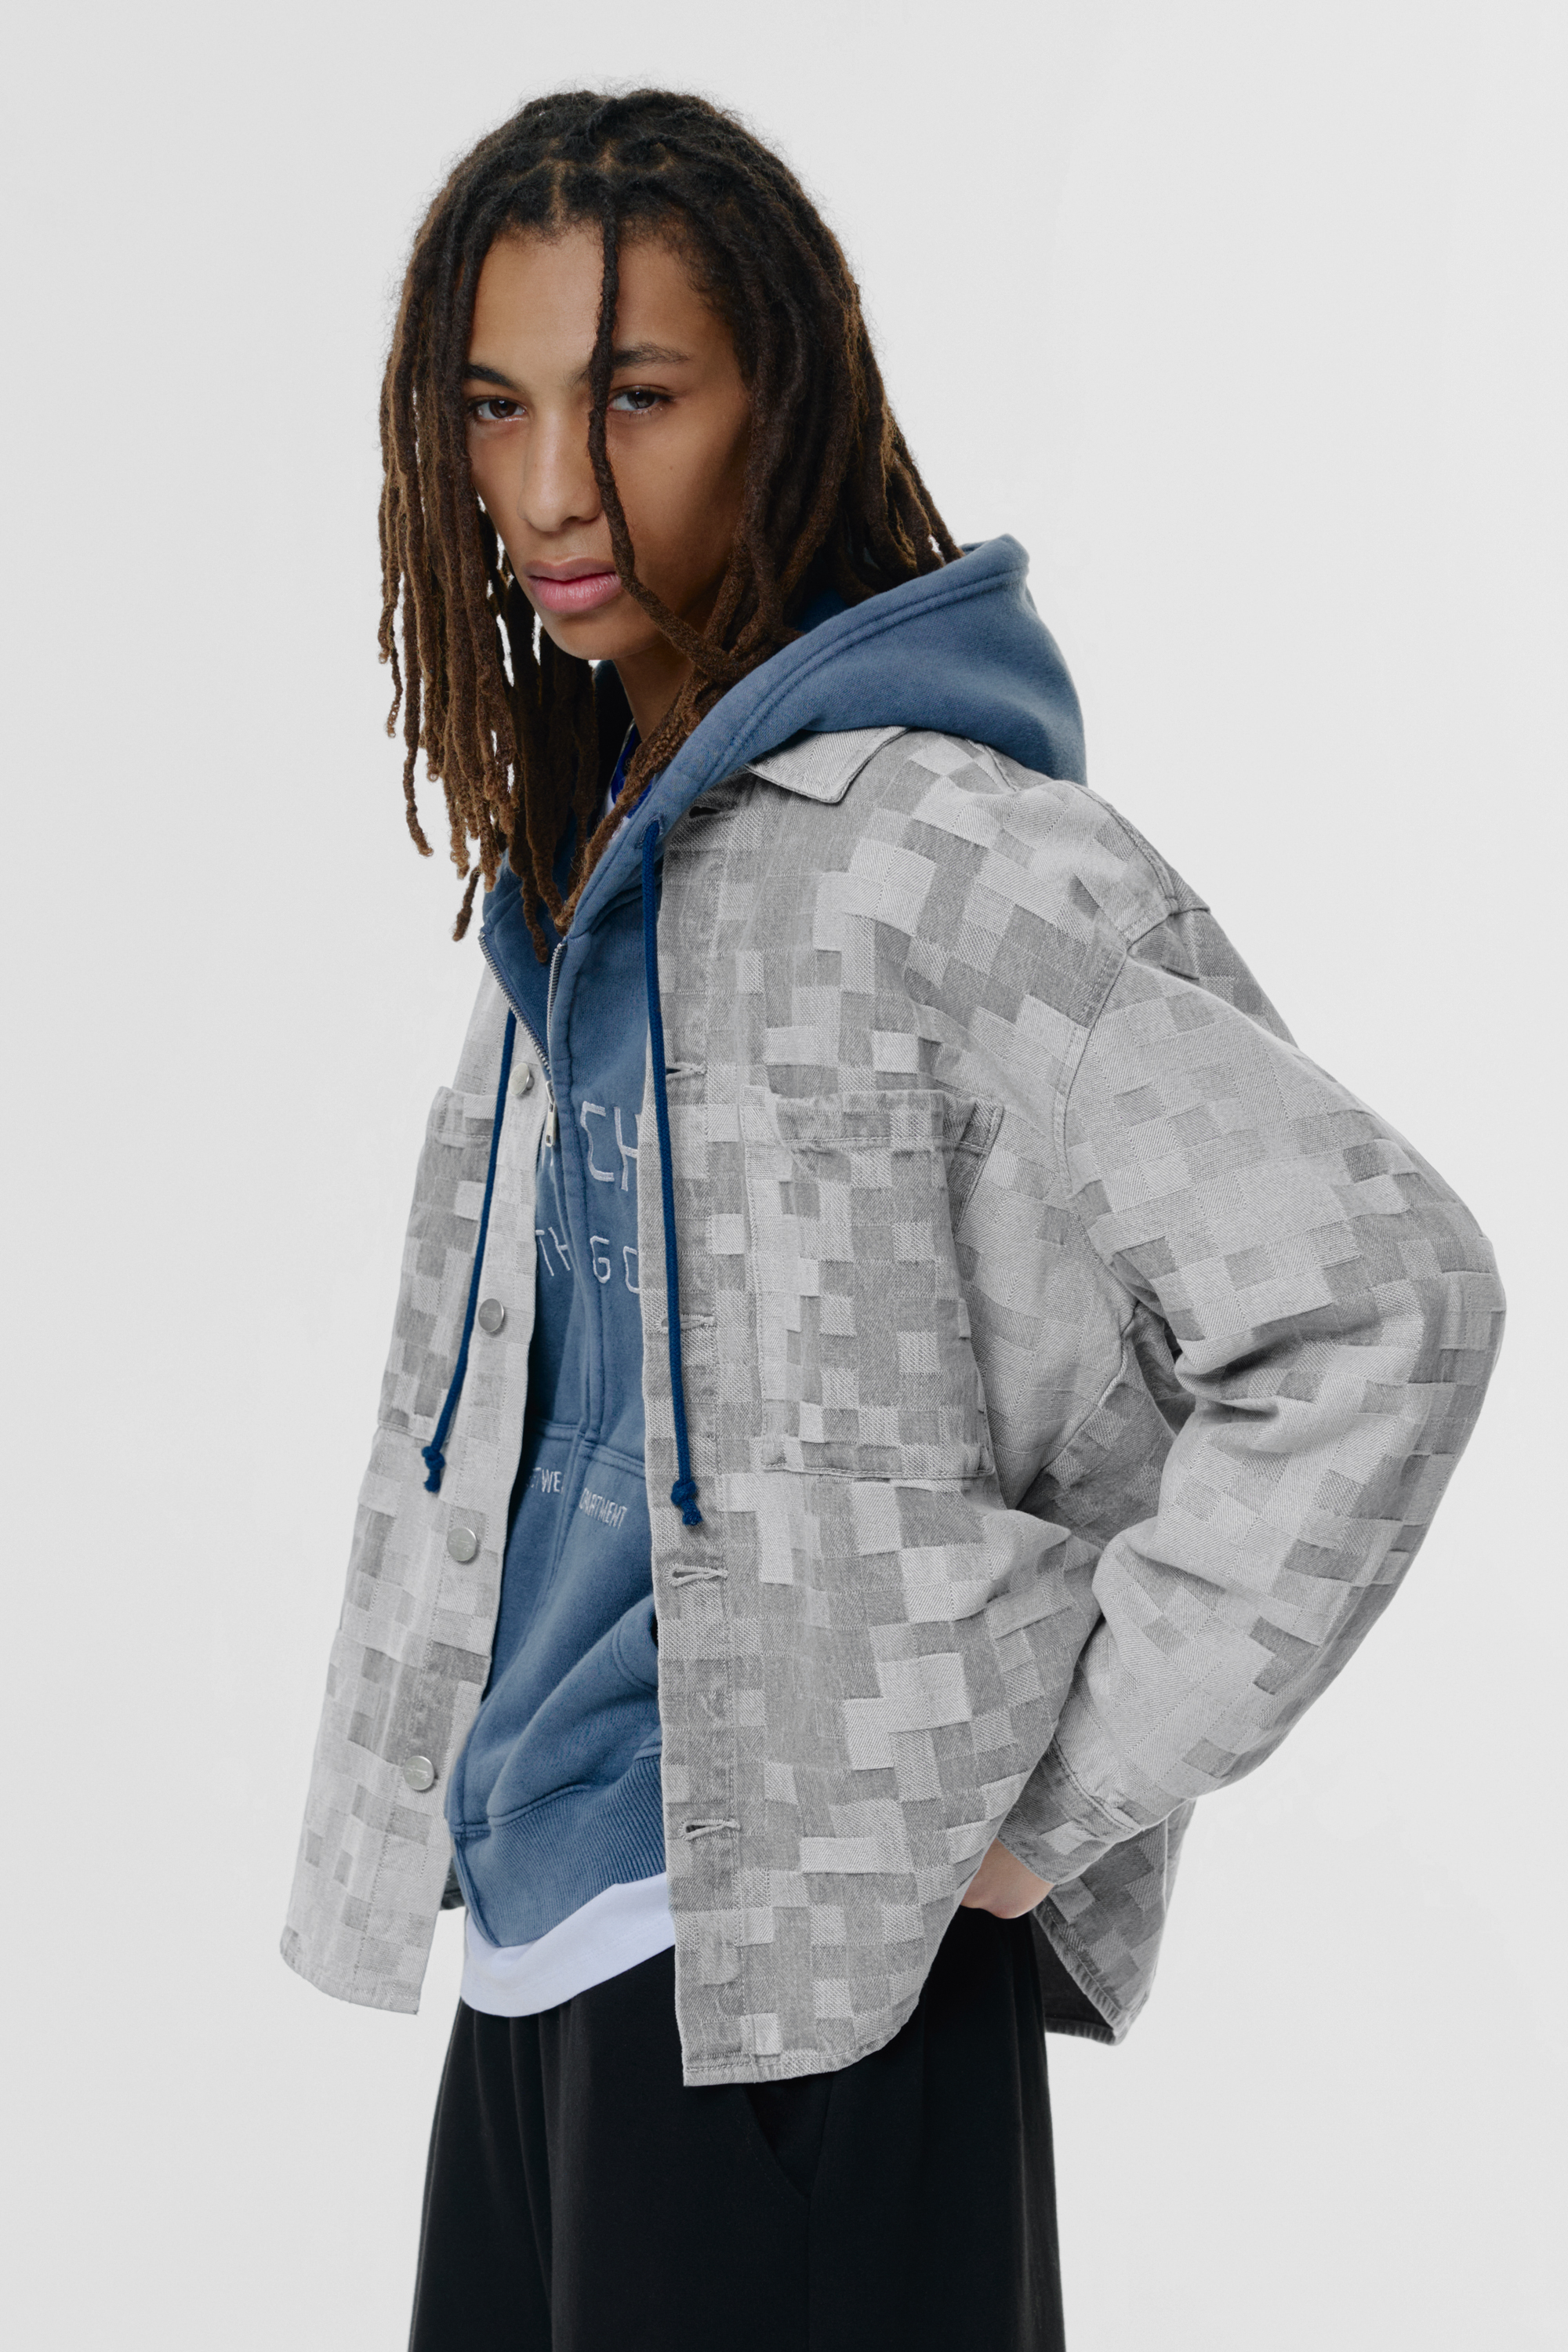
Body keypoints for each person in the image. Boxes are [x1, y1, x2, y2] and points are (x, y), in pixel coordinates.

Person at [281, 89, 1504, 2352]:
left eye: (635, 397)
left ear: (786, 408)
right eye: (495, 406)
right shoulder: (577, 870)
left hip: (814, 1991)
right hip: (542, 1960)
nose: (548, 489)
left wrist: (1052, 1804)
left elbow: (1386, 1298)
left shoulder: (947, 858)